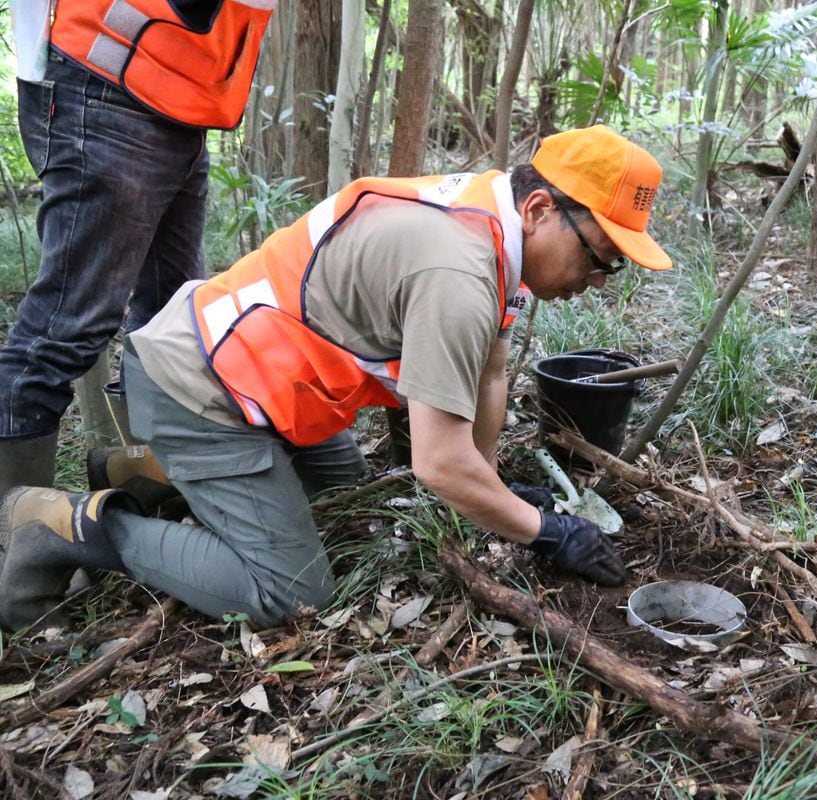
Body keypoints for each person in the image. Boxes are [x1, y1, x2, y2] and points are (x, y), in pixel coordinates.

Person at [0, 125, 673, 631]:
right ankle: (69, 524)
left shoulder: (491, 225)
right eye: (601, 258)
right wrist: (543, 530)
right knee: (292, 592)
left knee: (348, 510)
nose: (595, 282)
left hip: (271, 384)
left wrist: (491, 482)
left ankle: (143, 471)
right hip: (204, 390)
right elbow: (437, 465)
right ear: (541, 212)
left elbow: (490, 373)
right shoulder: (458, 272)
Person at [0, 0, 276, 495]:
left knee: (170, 323)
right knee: (62, 333)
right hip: (108, 88)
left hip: (178, 102)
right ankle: (20, 542)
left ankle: (132, 478)